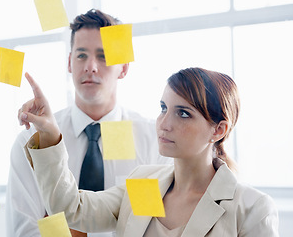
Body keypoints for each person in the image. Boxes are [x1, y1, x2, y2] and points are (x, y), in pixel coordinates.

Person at [19, 67, 279, 236]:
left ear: (218, 130)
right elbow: (69, 209)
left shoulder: (250, 209)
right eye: (164, 108)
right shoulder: (145, 184)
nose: (164, 124)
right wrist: (51, 133)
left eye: (184, 114)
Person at [6, 9, 172, 237]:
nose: (91, 66)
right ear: (69, 63)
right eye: (81, 55)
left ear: (123, 68)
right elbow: (24, 231)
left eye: (103, 56)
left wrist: (56, 225)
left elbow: (157, 228)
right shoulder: (33, 142)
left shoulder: (154, 140)